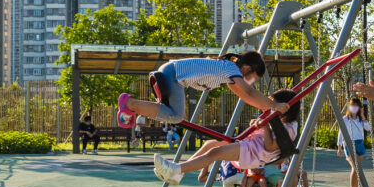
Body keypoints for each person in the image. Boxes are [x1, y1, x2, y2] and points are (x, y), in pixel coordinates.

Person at [152, 88, 300, 187]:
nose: (268, 107)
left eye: (273, 105)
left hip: (253, 153)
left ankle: (176, 169)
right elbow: (264, 136)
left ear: (285, 107)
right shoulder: (280, 120)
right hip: (250, 146)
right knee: (211, 144)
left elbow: (270, 147)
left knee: (215, 154)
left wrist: (265, 126)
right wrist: (259, 125)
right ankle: (179, 172)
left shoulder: (288, 128)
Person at [116, 50, 289, 128]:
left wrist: (265, 108)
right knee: (176, 116)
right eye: (251, 77)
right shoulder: (231, 69)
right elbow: (250, 92)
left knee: (170, 113)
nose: (249, 82)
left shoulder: (228, 73)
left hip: (173, 73)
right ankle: (129, 103)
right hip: (173, 74)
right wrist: (274, 105)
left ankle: (131, 110)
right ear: (247, 68)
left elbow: (245, 97)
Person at [337, 97, 371, 187]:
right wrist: (339, 147)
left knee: (358, 169)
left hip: (359, 143)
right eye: (352, 105)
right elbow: (340, 133)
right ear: (349, 107)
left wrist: (362, 116)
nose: (354, 108)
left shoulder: (361, 119)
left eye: (356, 106)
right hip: (349, 143)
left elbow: (368, 128)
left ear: (359, 107)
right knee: (355, 167)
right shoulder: (345, 119)